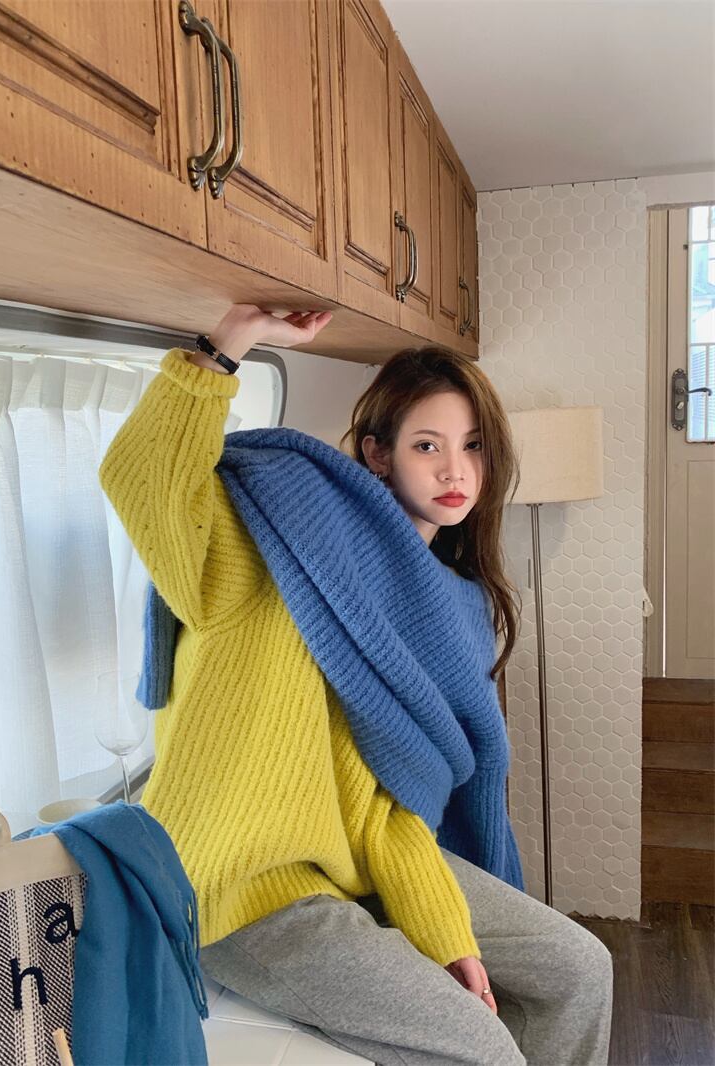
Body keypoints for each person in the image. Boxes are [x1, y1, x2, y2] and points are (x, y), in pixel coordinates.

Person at [99, 303, 613, 1066]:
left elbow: (386, 804)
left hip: (360, 861)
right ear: (378, 454)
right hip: (244, 886)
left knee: (580, 968)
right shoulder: (265, 547)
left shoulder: (453, 610)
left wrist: (446, 936)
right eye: (428, 445)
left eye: (473, 446)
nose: (455, 472)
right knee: (484, 1049)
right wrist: (231, 342)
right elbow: (142, 481)